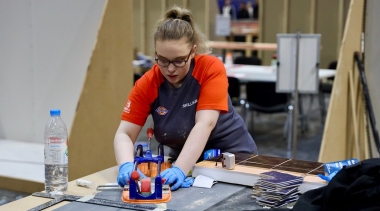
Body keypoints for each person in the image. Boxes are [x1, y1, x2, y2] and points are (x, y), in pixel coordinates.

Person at [114, 6, 258, 191]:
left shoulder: (210, 68)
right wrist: (126, 165)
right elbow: (124, 134)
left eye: (179, 60)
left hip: (234, 160)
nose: (170, 69)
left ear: (193, 51)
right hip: (188, 163)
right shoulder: (147, 83)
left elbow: (205, 124)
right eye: (163, 60)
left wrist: (180, 169)